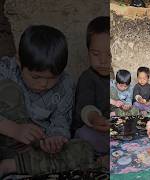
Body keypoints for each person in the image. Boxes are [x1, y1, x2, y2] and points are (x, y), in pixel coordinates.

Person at [0, 25, 94, 176]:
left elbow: (61, 119)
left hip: (37, 150)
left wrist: (54, 139)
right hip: (5, 138)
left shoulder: (65, 84)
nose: (43, 84)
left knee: (85, 150)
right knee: (8, 90)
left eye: (52, 78)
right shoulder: (6, 69)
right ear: (19, 61)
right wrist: (14, 129)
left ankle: (10, 166)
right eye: (36, 77)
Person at [72, 16, 110, 156]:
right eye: (95, 54)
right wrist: (94, 118)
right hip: (95, 129)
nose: (103, 61)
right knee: (83, 134)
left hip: (115, 130)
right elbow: (84, 106)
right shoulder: (87, 78)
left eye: (110, 54)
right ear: (88, 51)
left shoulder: (121, 76)